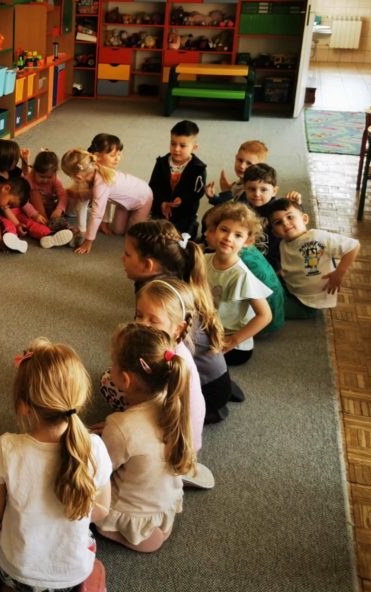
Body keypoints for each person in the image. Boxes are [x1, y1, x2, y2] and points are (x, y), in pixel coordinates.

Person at [0, 339, 111, 592]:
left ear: (23, 406)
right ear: (78, 399)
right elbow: (100, 512)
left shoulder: (7, 448)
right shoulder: (94, 448)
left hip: (17, 571)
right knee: (92, 557)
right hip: (72, 575)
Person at [121, 220, 233, 429]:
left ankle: (212, 408)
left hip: (206, 390)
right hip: (215, 378)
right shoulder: (170, 285)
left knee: (115, 384)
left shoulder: (160, 299)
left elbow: (157, 356)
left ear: (148, 265)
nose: (122, 258)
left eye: (127, 254)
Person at [96, 323, 195, 553]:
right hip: (164, 509)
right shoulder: (174, 403)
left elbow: (101, 470)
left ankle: (116, 530)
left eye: (113, 362)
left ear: (126, 379)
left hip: (132, 518)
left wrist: (97, 441)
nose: (110, 367)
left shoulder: (121, 427)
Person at [203, 202, 273, 366]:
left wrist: (234, 340)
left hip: (234, 347)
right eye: (224, 230)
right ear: (214, 230)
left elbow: (265, 315)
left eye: (238, 235)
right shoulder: (205, 259)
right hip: (209, 329)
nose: (228, 238)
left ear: (248, 241)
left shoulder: (241, 275)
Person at [268, 198, 361, 320]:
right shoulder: (283, 244)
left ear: (304, 219)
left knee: (267, 308)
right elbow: (294, 263)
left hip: (308, 303)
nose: (285, 223)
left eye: (290, 217)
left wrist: (339, 273)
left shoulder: (317, 237)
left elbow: (353, 246)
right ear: (275, 233)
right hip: (292, 288)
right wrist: (281, 273)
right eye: (278, 223)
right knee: (261, 287)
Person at [61, 148, 152, 255]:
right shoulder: (94, 169)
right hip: (124, 203)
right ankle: (132, 215)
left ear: (78, 177)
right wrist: (78, 195)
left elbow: (97, 214)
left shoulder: (101, 185)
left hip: (143, 199)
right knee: (117, 230)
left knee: (133, 235)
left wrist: (88, 241)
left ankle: (147, 217)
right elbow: (91, 194)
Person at [148, 120, 207, 238]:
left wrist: (183, 199)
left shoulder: (198, 168)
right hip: (161, 209)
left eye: (182, 146)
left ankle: (191, 227)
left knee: (180, 239)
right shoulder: (161, 163)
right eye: (173, 144)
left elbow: (197, 193)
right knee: (152, 235)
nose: (176, 149)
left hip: (184, 213)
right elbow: (153, 186)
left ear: (194, 147)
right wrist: (162, 203)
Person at [239, 162, 303, 272]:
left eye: (263, 190)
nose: (257, 194)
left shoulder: (277, 208)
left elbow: (297, 223)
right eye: (252, 189)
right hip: (248, 257)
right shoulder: (242, 206)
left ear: (274, 191)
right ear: (245, 188)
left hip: (274, 260)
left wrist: (297, 205)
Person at [0, 175, 73, 251]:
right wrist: (16, 224)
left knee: (30, 223)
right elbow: (4, 209)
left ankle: (49, 234)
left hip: (17, 211)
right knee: (8, 224)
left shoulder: (11, 193)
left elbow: (19, 204)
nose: (7, 206)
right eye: (9, 203)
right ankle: (12, 239)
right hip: (3, 215)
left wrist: (33, 216)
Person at [206, 139, 268, 206]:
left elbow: (235, 211)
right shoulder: (240, 182)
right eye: (240, 160)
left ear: (259, 166)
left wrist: (226, 192)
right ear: (236, 157)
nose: (242, 166)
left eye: (249, 163)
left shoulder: (253, 189)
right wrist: (213, 198)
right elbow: (227, 205)